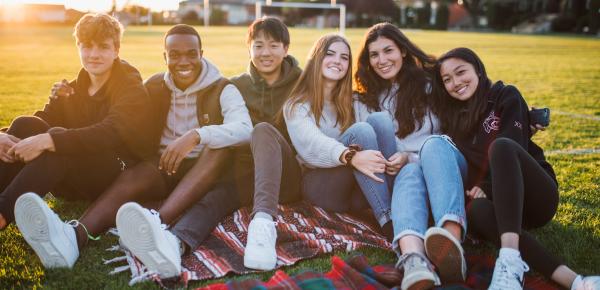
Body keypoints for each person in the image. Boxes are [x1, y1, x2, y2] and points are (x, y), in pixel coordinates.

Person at [0, 13, 157, 269]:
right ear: (78, 47)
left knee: (57, 142)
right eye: (87, 46)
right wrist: (5, 134)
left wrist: (51, 139)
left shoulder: (130, 85)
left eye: (103, 47)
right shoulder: (77, 84)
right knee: (24, 124)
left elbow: (110, 132)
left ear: (117, 50)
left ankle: (3, 213)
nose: (94, 54)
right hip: (74, 171)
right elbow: (44, 121)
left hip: (115, 172)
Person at [435, 47, 600, 290]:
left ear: (478, 70)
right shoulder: (452, 121)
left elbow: (512, 145)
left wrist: (486, 187)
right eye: (447, 80)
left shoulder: (505, 95)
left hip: (535, 196)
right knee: (475, 210)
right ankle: (575, 281)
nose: (456, 83)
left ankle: (509, 258)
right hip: (503, 209)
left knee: (501, 146)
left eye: (461, 72)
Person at [353, 23, 468, 290]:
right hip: (404, 184)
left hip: (443, 171)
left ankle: (451, 242)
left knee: (433, 146)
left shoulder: (430, 86)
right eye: (374, 55)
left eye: (388, 51)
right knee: (409, 171)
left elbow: (468, 106)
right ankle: (413, 260)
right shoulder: (365, 99)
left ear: (403, 51)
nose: (382, 60)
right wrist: (404, 159)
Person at [284, 33, 396, 251]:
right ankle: (389, 221)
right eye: (330, 54)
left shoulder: (352, 101)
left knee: (380, 120)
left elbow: (379, 139)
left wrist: (404, 156)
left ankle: (398, 205)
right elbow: (311, 145)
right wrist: (350, 156)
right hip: (320, 185)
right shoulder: (296, 104)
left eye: (344, 57)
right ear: (317, 58)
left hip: (354, 188)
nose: (338, 61)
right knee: (360, 130)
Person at [229, 17, 304, 271]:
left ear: (286, 49)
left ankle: (263, 222)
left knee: (262, 130)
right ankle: (175, 239)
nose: (265, 53)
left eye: (273, 45)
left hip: (289, 178)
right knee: (214, 198)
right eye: (258, 45)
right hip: (248, 177)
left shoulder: (302, 83)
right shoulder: (236, 85)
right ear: (249, 49)